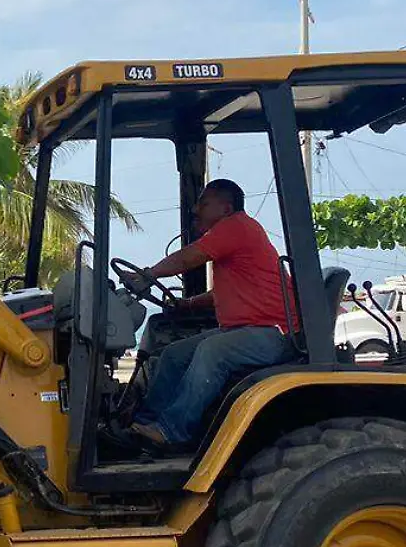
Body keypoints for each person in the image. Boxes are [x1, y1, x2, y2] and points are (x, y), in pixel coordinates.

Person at [123, 179, 294, 456]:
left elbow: (188, 258)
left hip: (274, 333)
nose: (195, 209)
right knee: (173, 355)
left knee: (212, 351)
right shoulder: (233, 238)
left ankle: (171, 431)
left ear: (226, 208)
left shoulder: (237, 226)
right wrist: (186, 305)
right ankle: (142, 424)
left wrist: (148, 274)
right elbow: (223, 293)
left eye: (203, 203)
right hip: (243, 330)